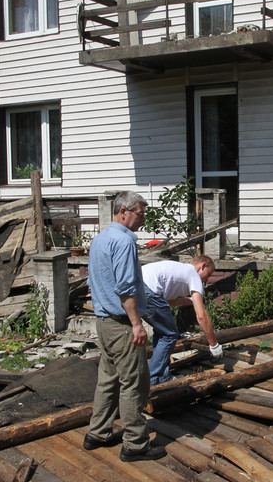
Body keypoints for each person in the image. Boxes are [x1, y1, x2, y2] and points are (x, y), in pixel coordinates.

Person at [85, 190, 165, 462]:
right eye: (140, 214)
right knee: (135, 384)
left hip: (103, 323)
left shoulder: (99, 240)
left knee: (108, 380)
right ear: (123, 212)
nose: (143, 219)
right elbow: (126, 288)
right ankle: (135, 444)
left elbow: (93, 282)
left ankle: (98, 432)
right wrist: (136, 324)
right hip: (121, 324)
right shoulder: (124, 243)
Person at [142, 255, 223, 385]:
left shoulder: (178, 271)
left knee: (162, 332)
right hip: (148, 290)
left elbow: (167, 302)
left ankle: (162, 376)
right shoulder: (193, 274)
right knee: (170, 334)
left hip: (136, 288)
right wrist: (214, 345)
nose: (206, 281)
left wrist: (190, 301)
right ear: (202, 266)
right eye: (207, 275)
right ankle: (152, 379)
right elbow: (201, 316)